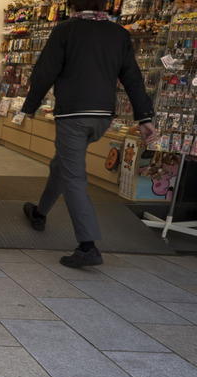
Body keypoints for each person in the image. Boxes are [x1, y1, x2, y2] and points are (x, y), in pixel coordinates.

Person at [20, 0, 157, 268]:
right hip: (102, 117)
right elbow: (133, 77)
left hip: (73, 115)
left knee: (73, 177)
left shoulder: (66, 30)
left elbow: (45, 71)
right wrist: (145, 117)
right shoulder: (119, 34)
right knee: (62, 164)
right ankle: (39, 212)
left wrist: (29, 106)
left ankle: (87, 246)